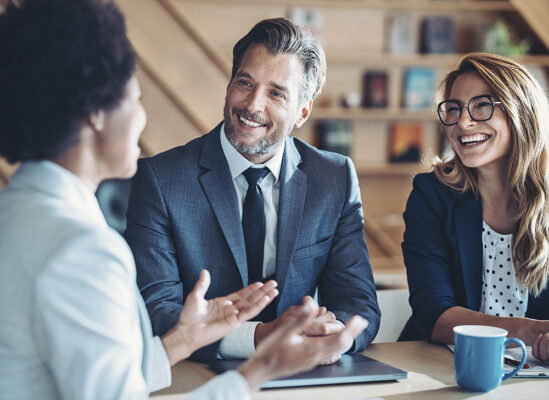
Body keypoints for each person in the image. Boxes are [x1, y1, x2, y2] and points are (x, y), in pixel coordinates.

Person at [0, 1, 367, 399]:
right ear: (96, 114)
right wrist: (260, 369)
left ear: (302, 111)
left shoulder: (17, 212)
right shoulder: (82, 250)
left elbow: (104, 377)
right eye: (135, 98)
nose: (141, 120)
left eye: (276, 92)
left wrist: (184, 339)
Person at [125, 17, 380, 362]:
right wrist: (260, 337)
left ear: (302, 112)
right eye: (245, 83)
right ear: (229, 85)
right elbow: (155, 310)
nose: (252, 105)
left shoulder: (334, 177)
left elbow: (358, 301)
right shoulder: (160, 179)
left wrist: (330, 337)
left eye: (276, 93)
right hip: (195, 374)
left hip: (305, 374)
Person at [400, 53, 549, 362]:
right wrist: (528, 331)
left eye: (482, 105)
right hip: (441, 367)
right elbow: (432, 313)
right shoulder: (431, 195)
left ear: (521, 111)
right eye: (454, 109)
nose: (463, 122)